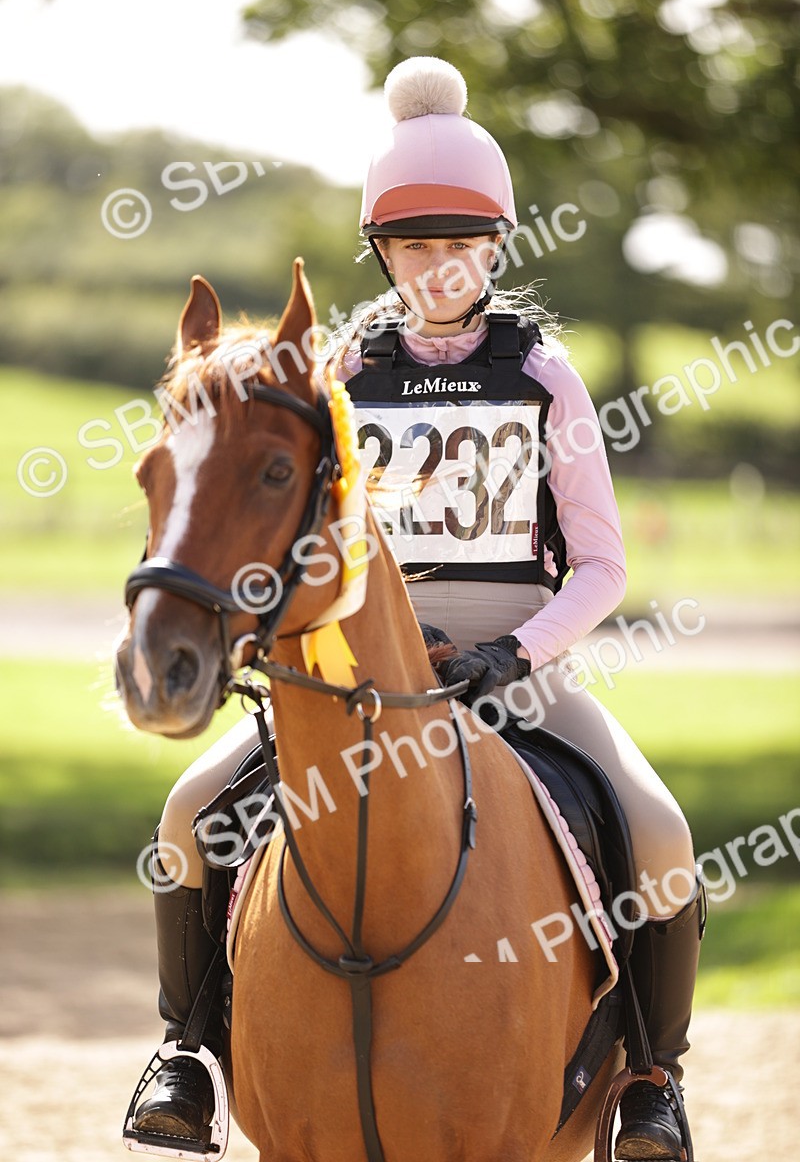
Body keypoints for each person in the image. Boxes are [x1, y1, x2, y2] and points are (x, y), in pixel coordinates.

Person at [130, 57, 704, 1162]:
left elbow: (599, 566)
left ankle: (648, 1080)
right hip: (360, 673)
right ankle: (187, 1054)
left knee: (661, 837)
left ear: (494, 248)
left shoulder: (545, 375)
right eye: (412, 247)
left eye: (459, 245)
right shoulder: (343, 370)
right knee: (186, 822)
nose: (437, 268)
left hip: (521, 670)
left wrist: (509, 655)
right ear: (381, 255)